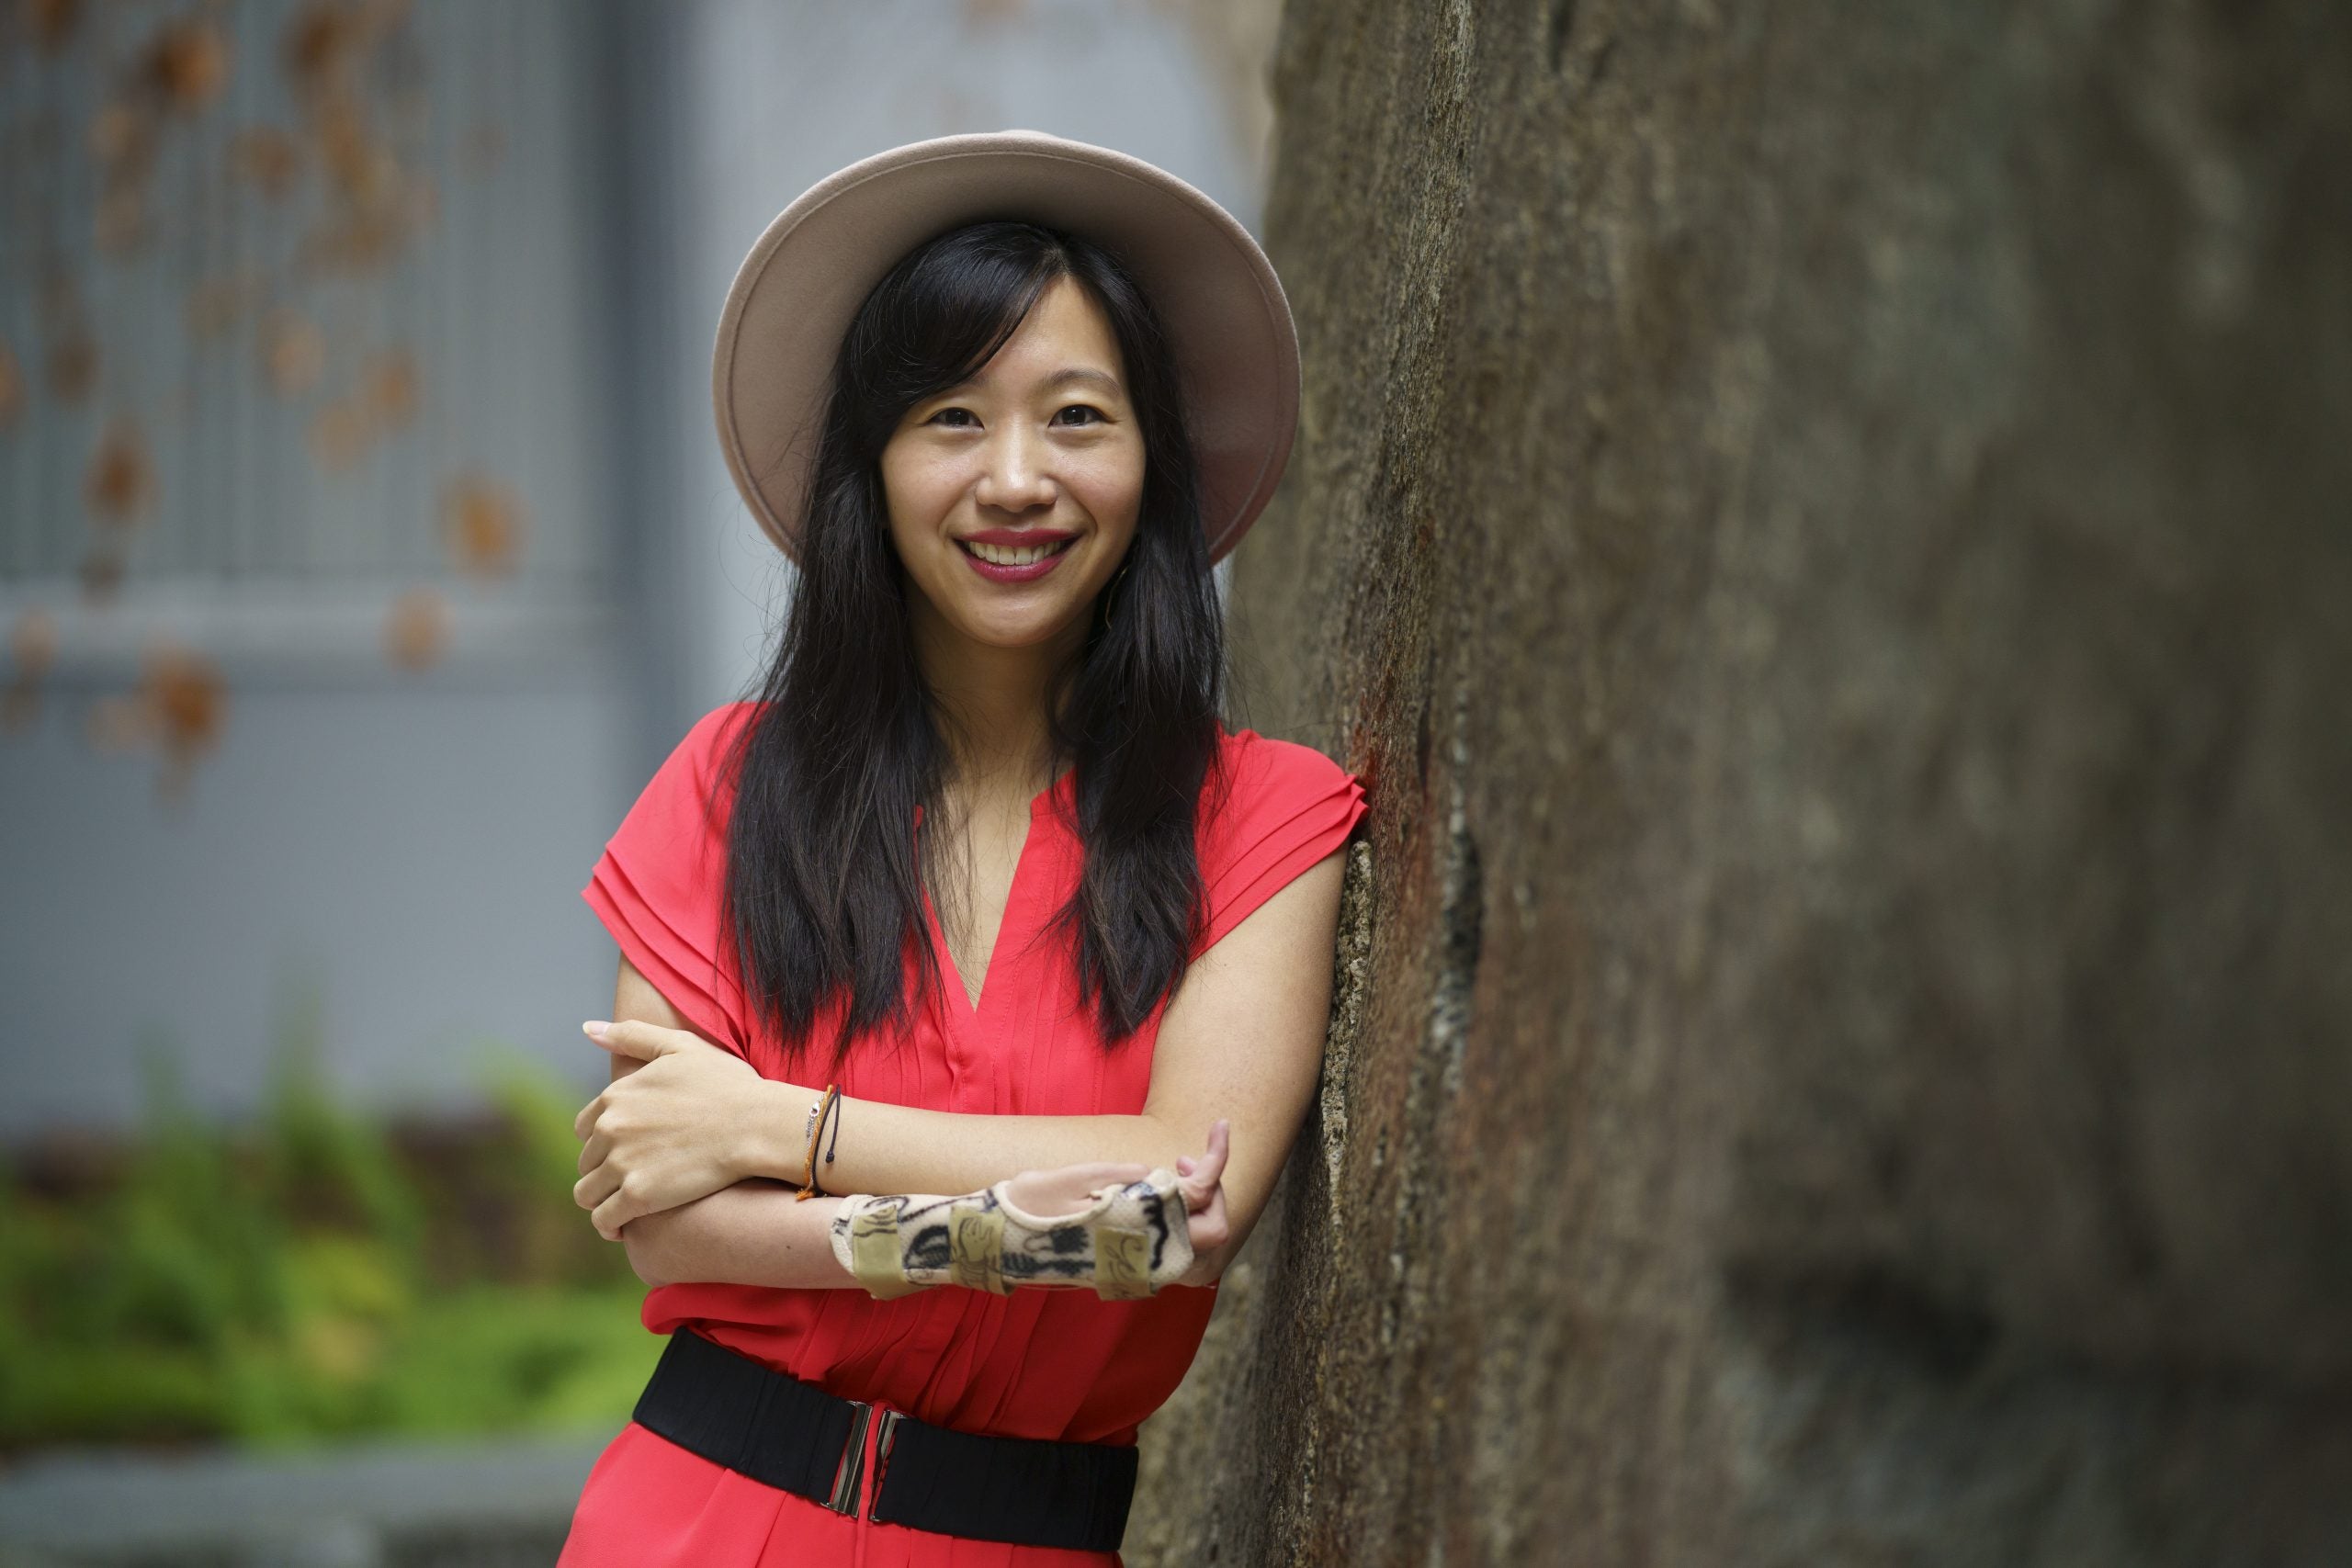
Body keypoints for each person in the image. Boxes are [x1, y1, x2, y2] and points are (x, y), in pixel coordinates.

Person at [554, 131, 1366, 1566]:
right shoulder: (730, 785)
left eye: (1075, 418)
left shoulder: (1266, 820)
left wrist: (786, 1135)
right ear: (871, 461)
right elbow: (670, 1224)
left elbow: (1183, 1212)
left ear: (1150, 460)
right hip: (689, 1524)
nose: (1013, 480)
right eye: (948, 418)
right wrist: (1044, 1214)